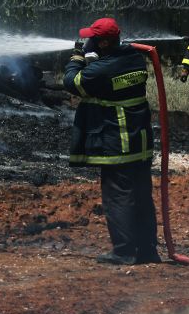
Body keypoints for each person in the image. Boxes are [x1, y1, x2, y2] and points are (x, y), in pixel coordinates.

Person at [62, 17, 160, 265]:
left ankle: (124, 251)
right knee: (141, 196)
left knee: (117, 197)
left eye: (91, 39)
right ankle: (148, 250)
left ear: (103, 42)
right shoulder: (134, 59)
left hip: (117, 142)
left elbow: (72, 83)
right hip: (140, 142)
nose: (87, 42)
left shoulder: (102, 70)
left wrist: (77, 57)